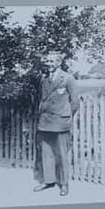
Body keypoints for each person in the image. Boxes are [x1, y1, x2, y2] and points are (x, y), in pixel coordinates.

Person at [34, 51, 79, 197]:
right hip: (45, 121)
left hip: (60, 122)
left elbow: (75, 102)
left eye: (52, 61)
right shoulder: (44, 79)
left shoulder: (68, 78)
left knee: (61, 155)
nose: (48, 64)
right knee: (45, 153)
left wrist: (66, 116)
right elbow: (41, 99)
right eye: (47, 61)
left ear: (59, 63)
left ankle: (64, 184)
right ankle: (48, 181)